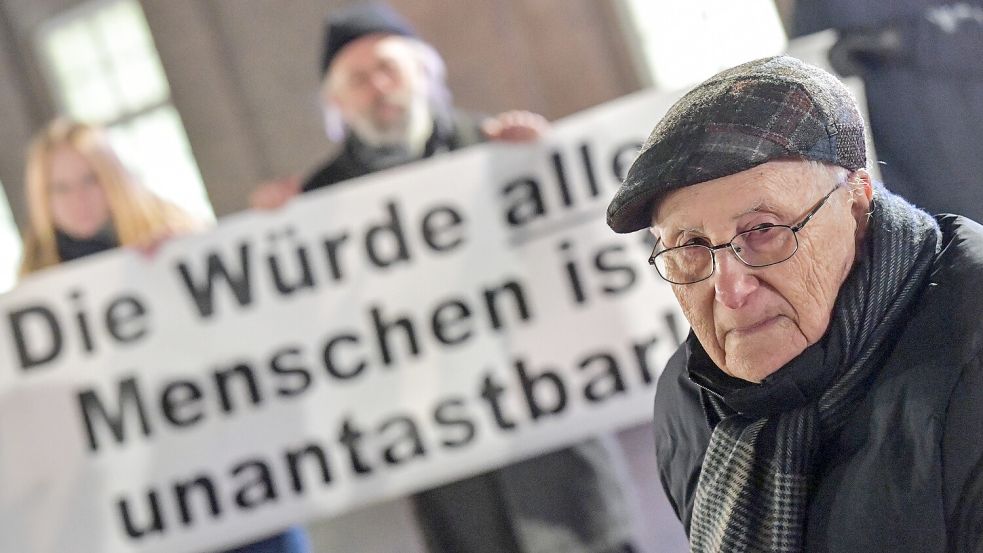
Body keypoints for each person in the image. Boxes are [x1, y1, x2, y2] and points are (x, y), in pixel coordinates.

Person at [252, 4, 636, 553]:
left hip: (555, 442)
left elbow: (586, 267)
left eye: (390, 69)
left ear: (426, 74)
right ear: (336, 103)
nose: (379, 87)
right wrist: (272, 236)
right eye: (359, 80)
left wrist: (549, 169)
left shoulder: (499, 151)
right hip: (446, 463)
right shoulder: (317, 204)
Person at [606, 55, 983, 552]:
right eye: (692, 246)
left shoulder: (970, 346)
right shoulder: (688, 399)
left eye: (763, 230)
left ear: (857, 204)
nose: (731, 290)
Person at [17, 119, 312, 553]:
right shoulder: (34, 299)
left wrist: (187, 262)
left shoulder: (176, 238)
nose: (77, 199)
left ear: (115, 179)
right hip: (137, 509)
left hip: (235, 480)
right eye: (59, 189)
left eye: (90, 180)